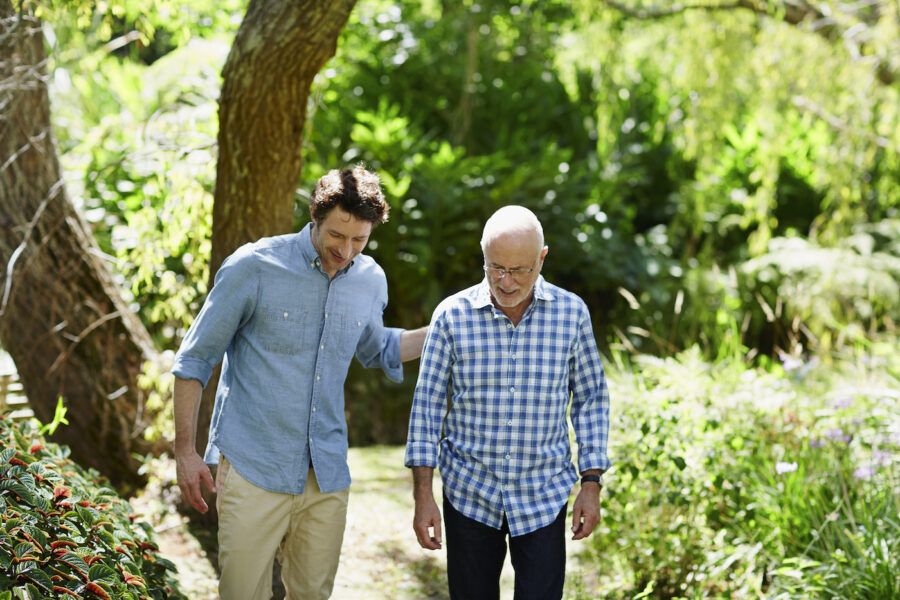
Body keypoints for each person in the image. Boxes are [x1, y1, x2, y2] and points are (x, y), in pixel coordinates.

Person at [172, 165, 427, 600]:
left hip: (325, 473)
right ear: (315, 218)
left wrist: (440, 334)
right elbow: (194, 360)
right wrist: (184, 451)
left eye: (359, 240)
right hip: (254, 465)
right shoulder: (254, 266)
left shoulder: (370, 280)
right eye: (336, 236)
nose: (346, 250)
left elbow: (375, 348)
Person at [404, 205, 611, 600]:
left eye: (520, 270)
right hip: (469, 494)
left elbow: (591, 400)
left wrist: (591, 483)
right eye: (496, 268)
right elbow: (426, 408)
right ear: (482, 258)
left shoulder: (572, 314)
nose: (507, 281)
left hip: (543, 494)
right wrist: (423, 496)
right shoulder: (451, 315)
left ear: (542, 258)